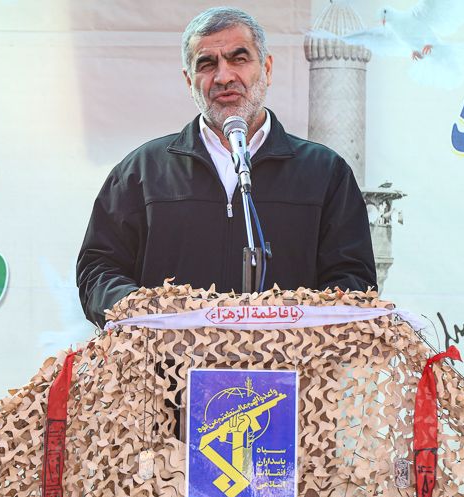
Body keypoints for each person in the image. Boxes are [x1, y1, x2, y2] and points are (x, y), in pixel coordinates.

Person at [77, 7, 377, 327]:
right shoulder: (142, 173)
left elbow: (353, 280)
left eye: (239, 58)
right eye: (207, 64)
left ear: (267, 69)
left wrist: (293, 327)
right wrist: (144, 317)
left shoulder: (325, 173)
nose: (223, 77)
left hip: (287, 359)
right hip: (170, 358)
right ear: (189, 80)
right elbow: (99, 270)